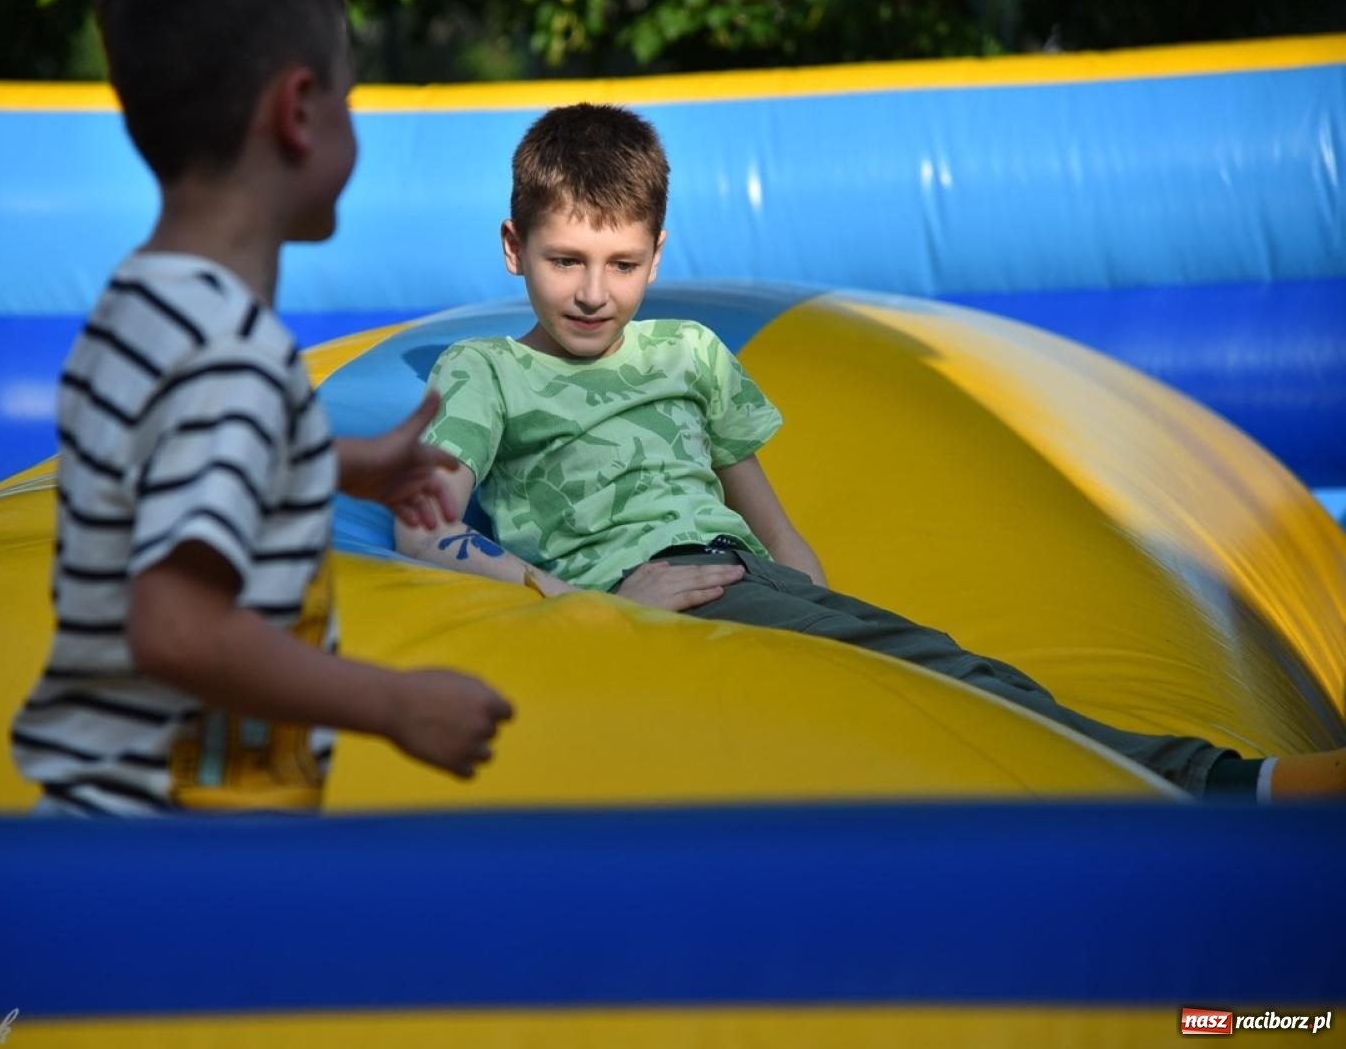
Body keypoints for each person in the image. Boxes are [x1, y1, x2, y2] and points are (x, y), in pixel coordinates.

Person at [395, 102, 1345, 801]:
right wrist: (587, 603)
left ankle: (1172, 792)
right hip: (647, 594)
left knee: (949, 681)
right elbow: (425, 532)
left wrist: (806, 595)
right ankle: (1232, 788)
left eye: (624, 264)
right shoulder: (486, 370)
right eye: (566, 261)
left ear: (657, 251)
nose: (596, 292)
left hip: (749, 588)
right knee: (953, 686)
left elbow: (774, 525)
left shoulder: (687, 353)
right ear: (514, 247)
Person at [10, 0, 512, 817]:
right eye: (349, 95)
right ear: (300, 111)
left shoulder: (139, 307)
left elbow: (171, 466)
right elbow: (175, 627)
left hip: (99, 826)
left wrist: (344, 466)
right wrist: (393, 704)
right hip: (169, 846)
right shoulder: (231, 355)